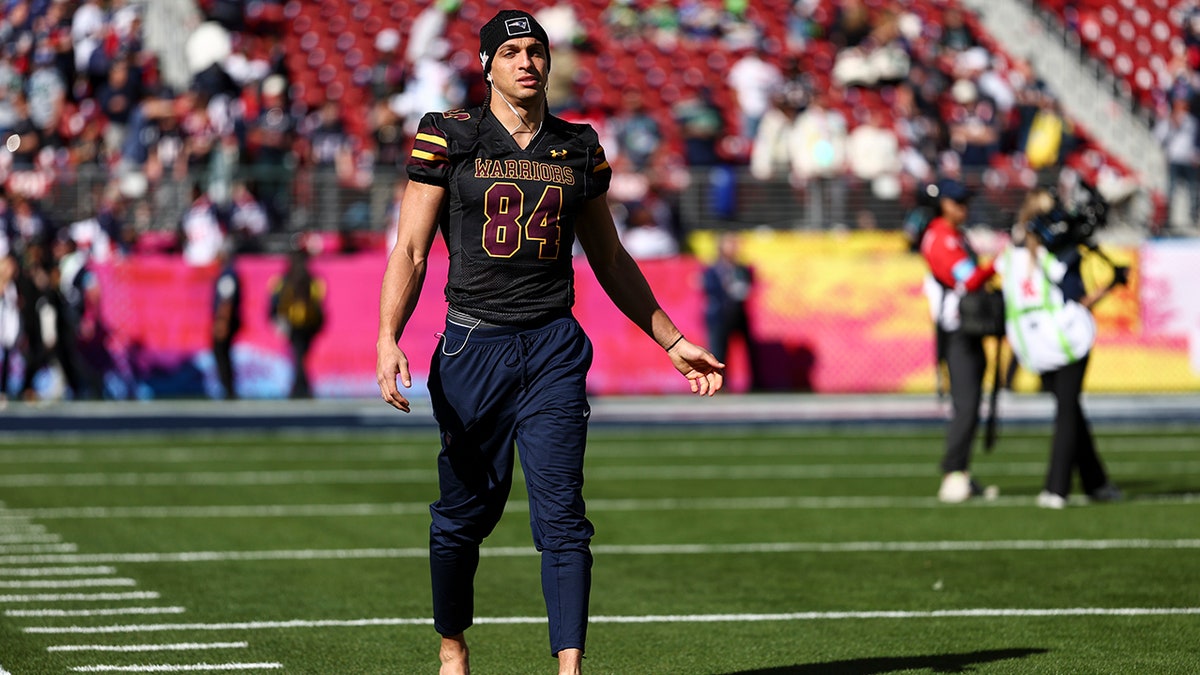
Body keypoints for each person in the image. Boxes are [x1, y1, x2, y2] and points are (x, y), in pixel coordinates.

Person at [374, 11, 725, 675]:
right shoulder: (447, 135)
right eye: (511, 52)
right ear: (486, 65)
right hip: (473, 346)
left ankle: (570, 667)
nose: (527, 62)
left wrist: (671, 339)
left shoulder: (578, 146)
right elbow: (413, 249)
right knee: (460, 518)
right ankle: (452, 642)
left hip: (553, 346)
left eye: (536, 50)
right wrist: (388, 335)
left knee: (563, 516)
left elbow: (611, 258)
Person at [994, 193, 1123, 509]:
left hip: (1032, 343)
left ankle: (1097, 483)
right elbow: (1076, 302)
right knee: (1067, 411)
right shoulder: (1061, 257)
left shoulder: (1011, 254)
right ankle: (1057, 487)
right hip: (1065, 338)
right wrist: (1110, 286)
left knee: (1071, 410)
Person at [919, 178, 996, 503]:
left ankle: (961, 471)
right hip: (957, 329)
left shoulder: (951, 235)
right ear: (944, 205)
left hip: (965, 327)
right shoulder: (942, 238)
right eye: (959, 201)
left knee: (970, 401)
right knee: (966, 404)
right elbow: (970, 277)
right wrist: (1001, 262)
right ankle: (953, 474)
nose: (965, 207)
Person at [703, 231, 759, 390]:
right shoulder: (713, 269)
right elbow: (710, 289)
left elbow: (748, 286)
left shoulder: (741, 269)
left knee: (749, 351)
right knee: (719, 352)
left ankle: (755, 384)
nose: (734, 248)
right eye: (730, 244)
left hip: (738, 314)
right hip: (720, 315)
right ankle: (720, 384)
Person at [271, 247, 325, 399]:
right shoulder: (311, 279)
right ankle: (301, 386)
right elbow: (319, 303)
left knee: (299, 355)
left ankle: (300, 387)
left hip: (294, 323)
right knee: (300, 355)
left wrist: (276, 320)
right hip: (308, 323)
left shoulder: (284, 279)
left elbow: (274, 302)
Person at [211, 243, 242, 399]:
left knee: (221, 353)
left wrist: (222, 322)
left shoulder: (228, 275)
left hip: (226, 321)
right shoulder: (228, 274)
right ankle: (228, 388)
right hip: (227, 321)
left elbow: (226, 301)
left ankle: (228, 389)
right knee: (223, 354)